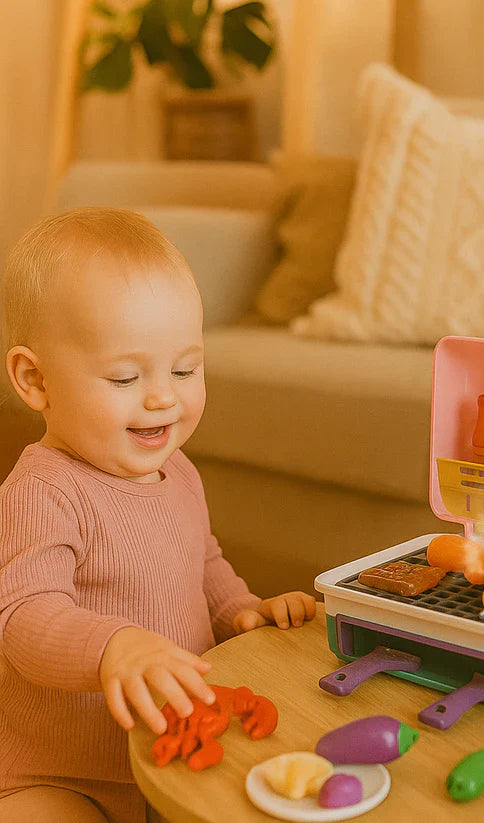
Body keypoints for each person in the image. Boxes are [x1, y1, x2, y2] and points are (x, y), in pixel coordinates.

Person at [0, 208, 317, 823]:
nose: (163, 396)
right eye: (125, 376)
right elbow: (22, 617)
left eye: (184, 369)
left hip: (176, 750)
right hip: (67, 774)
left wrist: (241, 611)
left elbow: (203, 563)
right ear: (35, 380)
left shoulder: (180, 473)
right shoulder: (42, 491)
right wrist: (112, 646)